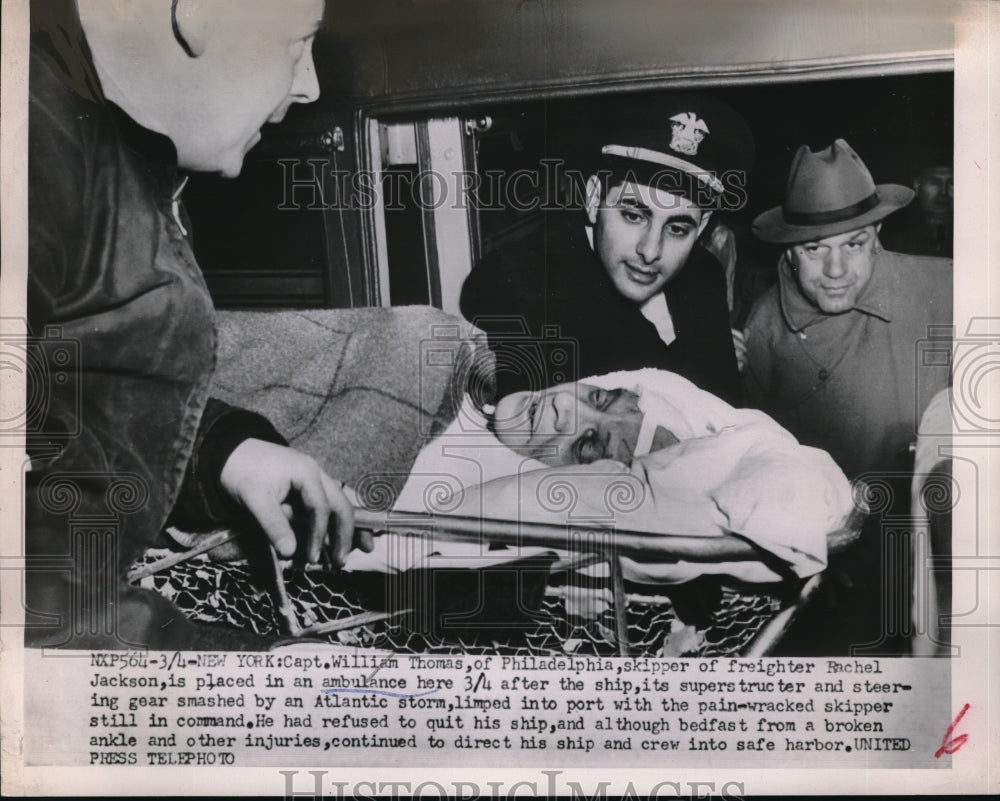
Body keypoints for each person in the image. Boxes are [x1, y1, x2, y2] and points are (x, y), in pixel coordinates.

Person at [26, 0, 371, 650]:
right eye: (299, 43)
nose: (310, 85)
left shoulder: (103, 138)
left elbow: (50, 403)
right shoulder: (26, 137)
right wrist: (249, 676)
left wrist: (223, 453)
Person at [742, 139, 953, 655]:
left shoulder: (945, 286)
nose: (835, 270)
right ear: (789, 250)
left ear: (877, 235)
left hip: (936, 558)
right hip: (826, 574)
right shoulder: (764, 328)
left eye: (853, 244)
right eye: (815, 249)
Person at [460, 96, 753, 405]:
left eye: (677, 229)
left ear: (703, 225)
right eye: (633, 215)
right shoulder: (521, 282)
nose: (651, 251)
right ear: (593, 196)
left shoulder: (703, 273)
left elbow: (724, 411)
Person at [880, 161, 953, 257]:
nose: (943, 192)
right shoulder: (893, 233)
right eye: (934, 183)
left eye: (952, 183)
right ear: (917, 185)